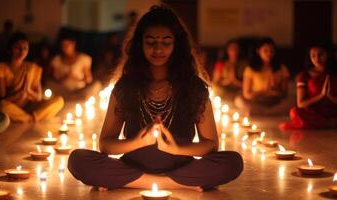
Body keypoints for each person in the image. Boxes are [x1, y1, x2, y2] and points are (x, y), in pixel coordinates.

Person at [68, 5, 243, 191]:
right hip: (134, 166)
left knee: (233, 162)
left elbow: (211, 144)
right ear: (140, 44)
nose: (158, 49)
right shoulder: (126, 86)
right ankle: (175, 184)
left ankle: (137, 183)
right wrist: (138, 142)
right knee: (77, 159)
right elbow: (106, 144)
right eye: (150, 41)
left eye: (166, 42)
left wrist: (177, 150)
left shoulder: (194, 87)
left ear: (177, 45)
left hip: (181, 167)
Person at [0, 32, 64, 123]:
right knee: (2, 106)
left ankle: (29, 118)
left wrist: (28, 92)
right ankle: (32, 118)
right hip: (12, 106)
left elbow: (38, 97)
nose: (22, 51)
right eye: (18, 47)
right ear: (10, 49)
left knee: (59, 100)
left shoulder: (31, 67)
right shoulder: (1, 67)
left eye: (25, 48)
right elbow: (2, 99)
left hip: (31, 105)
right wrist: (18, 96)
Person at [280, 42, 337, 129]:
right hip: (315, 113)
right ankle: (329, 124)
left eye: (320, 54)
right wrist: (321, 96)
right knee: (294, 112)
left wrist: (330, 96)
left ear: (328, 54)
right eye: (313, 56)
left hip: (334, 111)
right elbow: (301, 104)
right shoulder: (305, 76)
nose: (317, 58)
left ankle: (322, 124)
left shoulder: (334, 73)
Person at [234, 37, 290, 115]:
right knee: (239, 100)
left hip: (274, 101)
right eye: (265, 50)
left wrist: (275, 90)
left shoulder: (282, 68)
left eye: (271, 51)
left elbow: (284, 94)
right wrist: (263, 91)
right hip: (256, 101)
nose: (269, 53)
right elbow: (246, 94)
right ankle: (265, 112)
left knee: (290, 104)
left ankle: (263, 112)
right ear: (258, 51)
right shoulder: (250, 69)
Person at [48, 33, 101, 99]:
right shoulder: (56, 60)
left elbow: (88, 79)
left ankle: (74, 98)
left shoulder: (83, 59)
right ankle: (70, 98)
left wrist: (76, 78)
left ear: (73, 44)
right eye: (63, 45)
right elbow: (54, 79)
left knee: (96, 85)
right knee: (49, 84)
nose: (65, 48)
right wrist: (65, 77)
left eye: (68, 45)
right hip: (63, 90)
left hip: (79, 90)